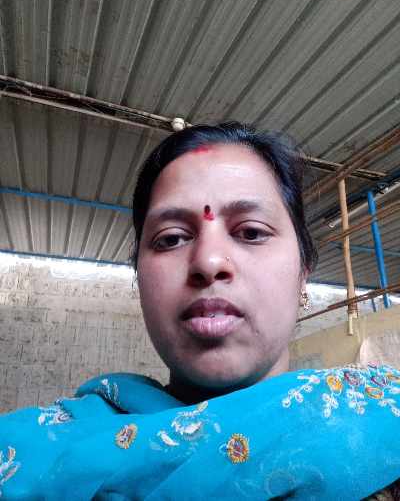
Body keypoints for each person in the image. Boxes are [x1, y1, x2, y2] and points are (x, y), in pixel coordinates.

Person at [1, 122, 399, 500]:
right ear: (140, 279)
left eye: (251, 232)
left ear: (303, 274)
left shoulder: (383, 428)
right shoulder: (30, 457)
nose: (208, 262)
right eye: (171, 238)